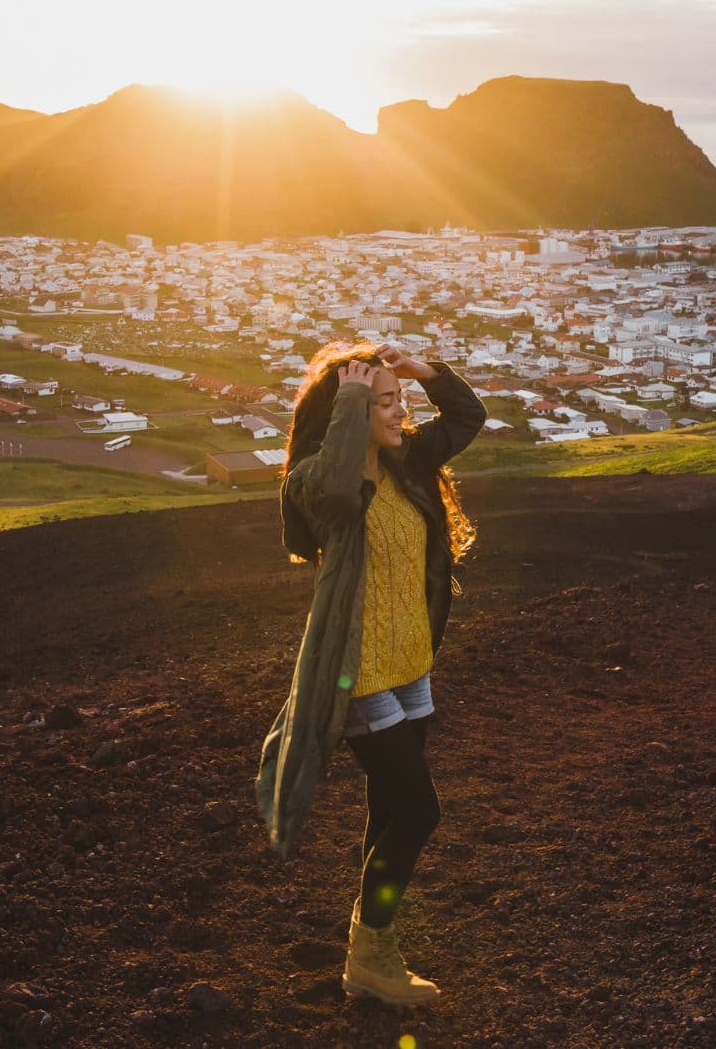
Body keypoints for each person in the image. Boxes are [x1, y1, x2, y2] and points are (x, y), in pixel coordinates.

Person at [254, 339, 486, 1007]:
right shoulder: (323, 484)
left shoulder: (406, 462)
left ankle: (370, 951)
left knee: (388, 811)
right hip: (358, 679)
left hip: (411, 668)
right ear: (349, 412)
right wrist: (353, 396)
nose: (400, 410)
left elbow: (467, 419)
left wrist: (426, 372)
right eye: (386, 401)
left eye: (400, 398)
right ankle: (371, 954)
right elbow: (330, 491)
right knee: (419, 812)